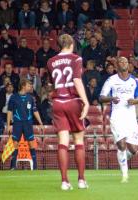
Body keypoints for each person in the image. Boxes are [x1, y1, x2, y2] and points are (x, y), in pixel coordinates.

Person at [47, 34, 90, 190]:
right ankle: (81, 180)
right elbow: (77, 80)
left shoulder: (50, 61)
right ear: (71, 44)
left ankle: (64, 182)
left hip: (58, 102)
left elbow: (53, 84)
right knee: (78, 141)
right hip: (73, 101)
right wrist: (86, 101)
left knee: (62, 143)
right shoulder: (76, 59)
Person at [99, 56, 138, 183]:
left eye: (125, 62)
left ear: (128, 65)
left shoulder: (135, 81)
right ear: (117, 66)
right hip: (117, 116)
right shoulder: (111, 80)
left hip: (131, 118)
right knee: (121, 145)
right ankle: (124, 174)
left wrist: (133, 101)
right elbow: (101, 97)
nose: (123, 63)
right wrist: (112, 99)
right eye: (121, 62)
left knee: (133, 150)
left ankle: (124, 158)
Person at [7, 79, 44, 170]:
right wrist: (8, 125)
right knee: (15, 143)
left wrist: (41, 123)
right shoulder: (13, 97)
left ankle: (35, 167)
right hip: (17, 123)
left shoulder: (31, 98)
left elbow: (35, 111)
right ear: (23, 86)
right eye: (28, 85)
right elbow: (9, 111)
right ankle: (13, 167)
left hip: (28, 123)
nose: (30, 87)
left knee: (31, 143)